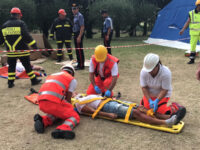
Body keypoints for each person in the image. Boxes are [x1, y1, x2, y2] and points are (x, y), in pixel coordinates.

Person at [74, 94, 186, 126]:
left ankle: (169, 117)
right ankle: (166, 123)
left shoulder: (80, 96)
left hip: (108, 101)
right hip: (105, 107)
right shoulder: (77, 103)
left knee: (141, 108)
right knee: (135, 113)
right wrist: (107, 115)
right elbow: (88, 110)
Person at [34, 64, 80, 139]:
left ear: (62, 70)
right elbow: (68, 100)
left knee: (58, 112)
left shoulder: (52, 75)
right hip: (54, 102)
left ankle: (43, 121)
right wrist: (71, 109)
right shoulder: (71, 79)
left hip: (41, 102)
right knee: (74, 116)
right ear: (72, 73)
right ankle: (63, 129)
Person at [0, 7, 41, 88]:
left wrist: (2, 46)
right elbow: (26, 36)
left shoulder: (4, 25)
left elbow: (1, 39)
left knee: (11, 67)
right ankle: (34, 80)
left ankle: (10, 83)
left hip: (11, 51)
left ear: (11, 14)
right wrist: (34, 45)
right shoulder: (20, 23)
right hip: (22, 49)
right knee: (27, 66)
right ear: (18, 15)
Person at [179, 0, 200, 64]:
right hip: (194, 33)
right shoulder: (191, 13)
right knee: (192, 47)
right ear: (197, 6)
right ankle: (192, 60)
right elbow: (188, 22)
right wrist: (183, 29)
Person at [72, 3, 85, 70]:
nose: (74, 10)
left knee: (79, 50)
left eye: (75, 9)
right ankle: (79, 63)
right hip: (75, 33)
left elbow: (82, 27)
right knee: (77, 50)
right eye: (73, 9)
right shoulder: (75, 16)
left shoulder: (80, 16)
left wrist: (79, 36)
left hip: (79, 33)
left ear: (78, 9)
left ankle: (81, 65)